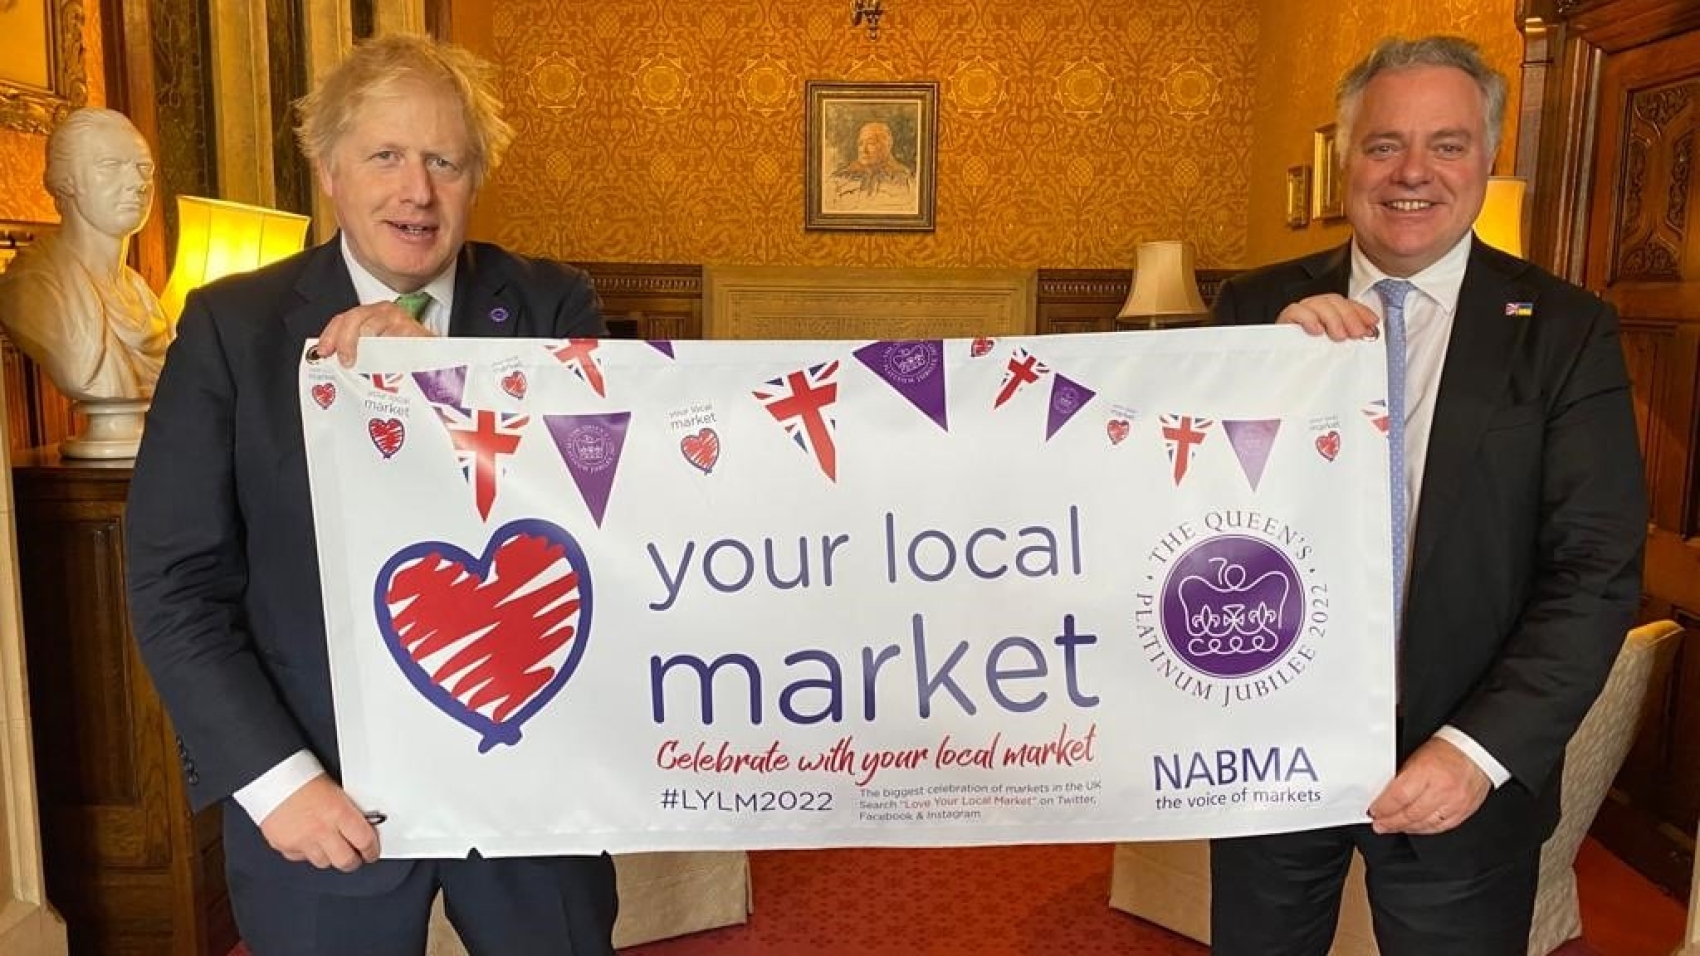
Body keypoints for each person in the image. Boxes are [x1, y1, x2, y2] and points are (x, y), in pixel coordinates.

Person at [124, 35, 616, 956]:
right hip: (320, 795)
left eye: (445, 160)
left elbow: (602, 532)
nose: (416, 191)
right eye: (385, 155)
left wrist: (447, 391)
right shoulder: (232, 329)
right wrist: (275, 782)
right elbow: (174, 583)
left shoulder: (554, 308)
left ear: (476, 177)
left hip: (528, 786)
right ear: (330, 171)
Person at [1208, 35, 1645, 955]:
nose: (1412, 172)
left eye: (1446, 144)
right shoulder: (1254, 310)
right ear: (1346, 161)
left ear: (1487, 158)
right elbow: (1182, 516)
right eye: (1383, 145)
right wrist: (1262, 375)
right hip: (1270, 748)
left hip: (1461, 772)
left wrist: (1478, 753)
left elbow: (1596, 570)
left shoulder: (1566, 329)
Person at [0, 107, 169, 402]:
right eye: (111, 164)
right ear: (66, 181)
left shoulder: (143, 296)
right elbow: (81, 374)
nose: (138, 183)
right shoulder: (32, 286)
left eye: (145, 168)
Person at [830, 120, 914, 203]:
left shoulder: (908, 181)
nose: (863, 150)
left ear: (888, 145)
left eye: (871, 143)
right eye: (860, 143)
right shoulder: (840, 179)